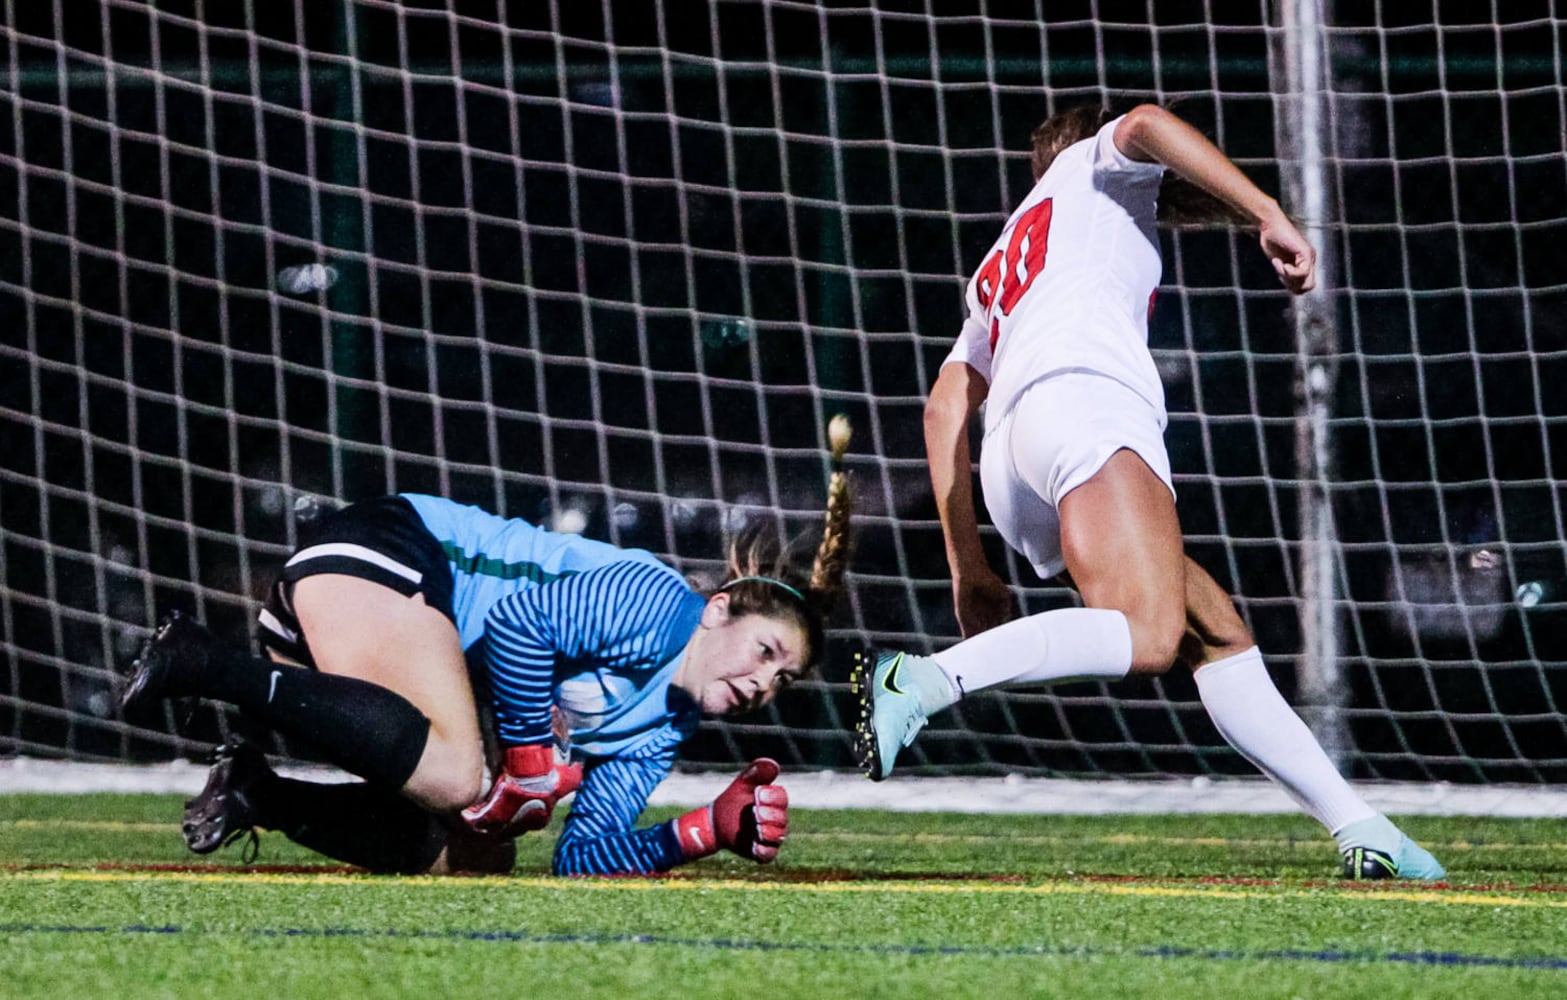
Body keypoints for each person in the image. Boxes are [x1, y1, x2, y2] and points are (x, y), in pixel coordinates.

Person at [852, 104, 1444, 881]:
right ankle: (924, 680)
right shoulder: (1090, 167)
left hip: (1013, 456)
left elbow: (944, 407)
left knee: (1215, 633)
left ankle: (1365, 831)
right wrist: (1266, 213)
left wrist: (970, 567)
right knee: (1148, 634)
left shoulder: (1001, 261)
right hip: (1084, 406)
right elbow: (1142, 121)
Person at [122, 417, 853, 875]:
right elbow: (518, 628)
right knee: (457, 779)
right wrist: (531, 762)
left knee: (473, 855)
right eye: (764, 652)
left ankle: (260, 791)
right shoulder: (659, 604)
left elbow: (584, 858)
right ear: (718, 610)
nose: (764, 683)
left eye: (782, 680)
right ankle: (202, 661)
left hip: (351, 647)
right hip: (388, 556)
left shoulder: (660, 733)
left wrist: (700, 831)